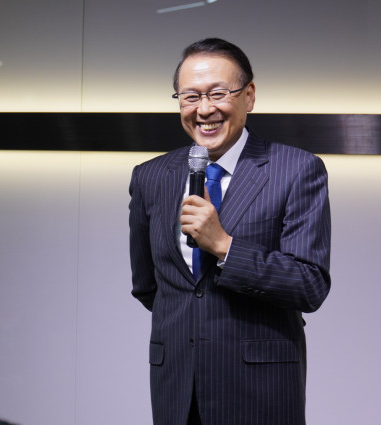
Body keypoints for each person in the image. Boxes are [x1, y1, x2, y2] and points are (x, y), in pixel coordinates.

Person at [129, 38, 331, 425]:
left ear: (249, 96)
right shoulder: (150, 176)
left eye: (218, 93)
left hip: (261, 391)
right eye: (190, 97)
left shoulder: (296, 170)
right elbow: (148, 286)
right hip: (177, 390)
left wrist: (223, 245)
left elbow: (309, 285)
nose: (204, 109)